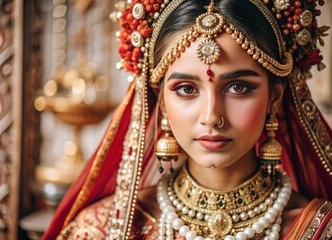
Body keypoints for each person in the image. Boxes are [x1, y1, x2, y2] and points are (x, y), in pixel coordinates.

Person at [43, 0, 332, 239]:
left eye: (238, 87)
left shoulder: (318, 228)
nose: (211, 117)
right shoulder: (102, 229)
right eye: (186, 89)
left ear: (274, 97)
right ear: (161, 99)